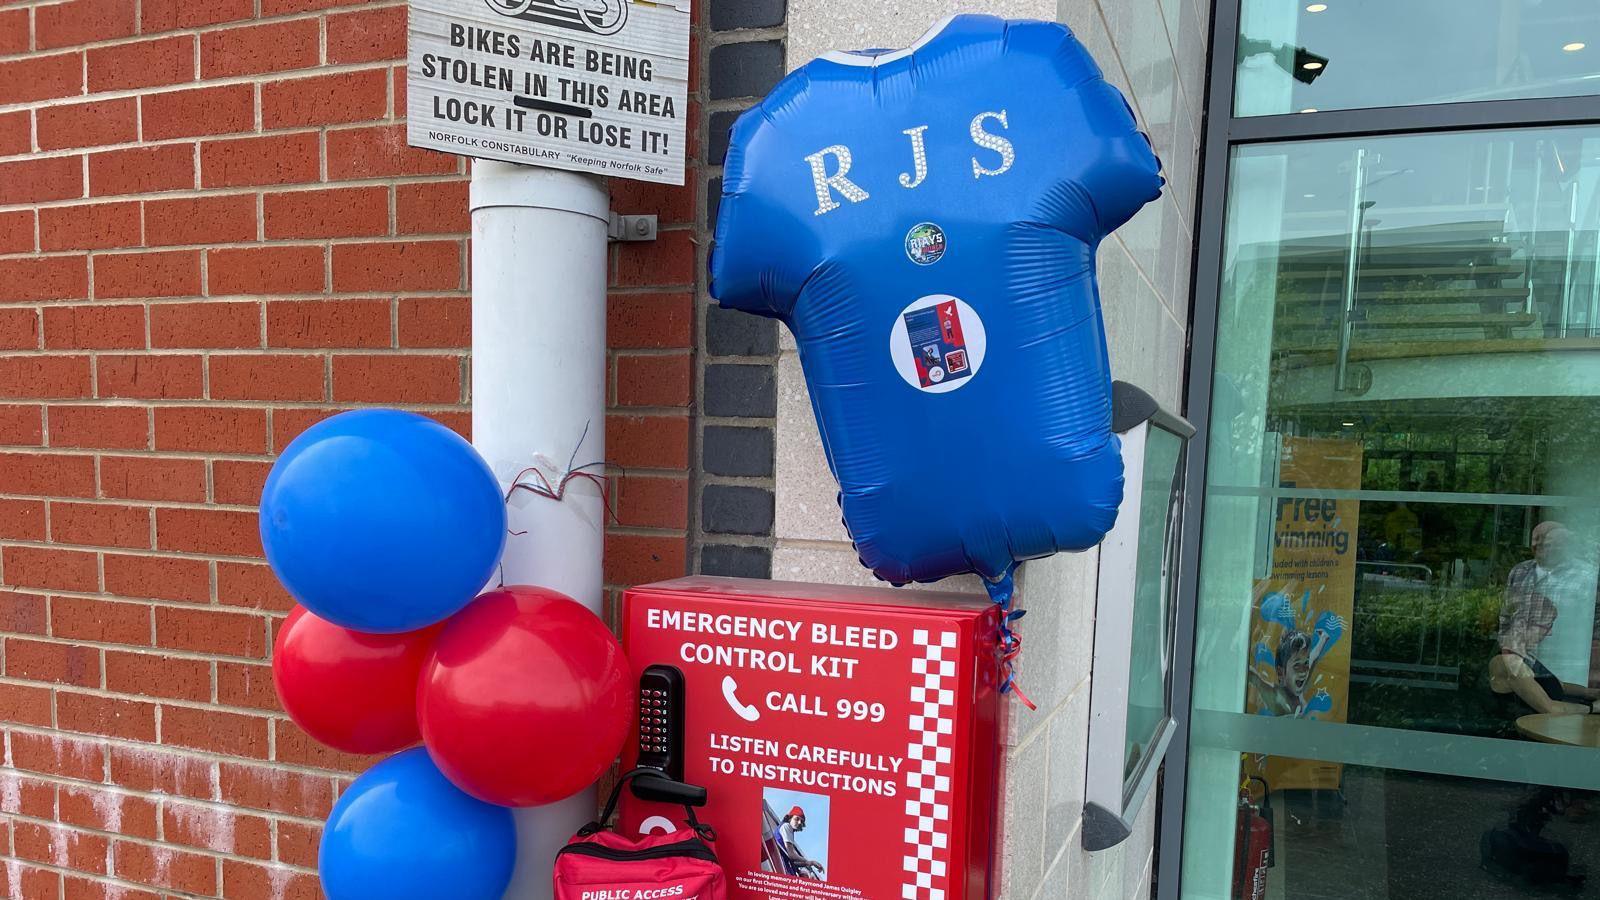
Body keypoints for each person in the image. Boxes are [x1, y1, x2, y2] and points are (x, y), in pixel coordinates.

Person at [1489, 592, 1599, 719]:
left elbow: (1558, 685)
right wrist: (1593, 708)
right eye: (1546, 626)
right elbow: (1549, 708)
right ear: (1523, 625)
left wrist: (1591, 693)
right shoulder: (1508, 662)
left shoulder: (1524, 656)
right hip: (1524, 734)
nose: (1549, 632)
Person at [773, 806, 824, 880]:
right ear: (790, 818)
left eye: (801, 821)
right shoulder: (787, 826)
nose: (799, 822)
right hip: (782, 868)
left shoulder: (788, 831)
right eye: (797, 819)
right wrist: (809, 862)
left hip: (783, 867)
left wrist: (809, 863)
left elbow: (793, 861)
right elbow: (791, 855)